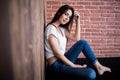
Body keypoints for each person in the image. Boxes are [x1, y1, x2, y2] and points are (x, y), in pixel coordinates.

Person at [44, 4, 111, 80]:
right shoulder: (51, 29)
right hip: (56, 66)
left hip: (63, 60)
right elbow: (57, 53)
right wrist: (73, 65)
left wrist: (78, 21)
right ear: (59, 13)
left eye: (69, 17)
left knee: (83, 42)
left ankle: (99, 66)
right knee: (91, 74)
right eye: (66, 14)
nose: (67, 18)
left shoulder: (61, 29)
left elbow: (77, 38)